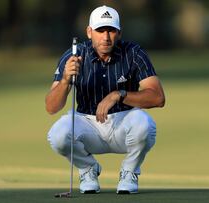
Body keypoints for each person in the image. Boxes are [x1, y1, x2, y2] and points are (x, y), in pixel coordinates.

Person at [45, 5, 165, 194]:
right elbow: (52, 107)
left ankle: (129, 171)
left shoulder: (133, 53)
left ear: (119, 32)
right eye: (101, 30)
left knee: (145, 125)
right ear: (89, 32)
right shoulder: (74, 55)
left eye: (111, 30)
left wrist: (120, 94)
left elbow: (158, 97)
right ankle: (88, 169)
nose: (106, 37)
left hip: (123, 121)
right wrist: (66, 80)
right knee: (58, 135)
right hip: (87, 124)